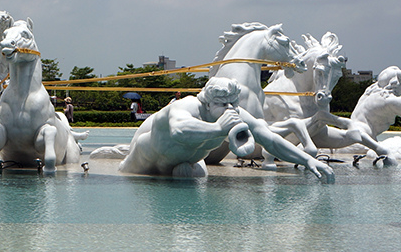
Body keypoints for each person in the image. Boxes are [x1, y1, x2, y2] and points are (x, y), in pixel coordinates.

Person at [119, 77, 334, 181]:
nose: (230, 109)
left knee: (187, 175)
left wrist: (308, 160)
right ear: (207, 103)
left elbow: (267, 138)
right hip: (145, 163)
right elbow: (179, 130)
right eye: (223, 104)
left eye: (233, 104)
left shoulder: (230, 113)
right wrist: (218, 129)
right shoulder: (188, 105)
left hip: (184, 164)